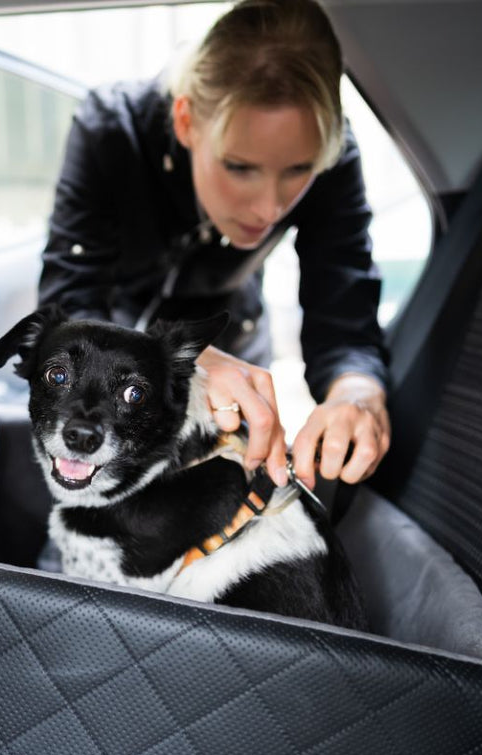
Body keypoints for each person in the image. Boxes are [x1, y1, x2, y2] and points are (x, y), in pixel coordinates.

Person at [38, 0, 390, 491]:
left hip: (233, 336)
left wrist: (358, 395)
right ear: (185, 122)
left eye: (298, 170)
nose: (270, 208)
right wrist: (171, 362)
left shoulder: (335, 157)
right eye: (240, 167)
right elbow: (69, 298)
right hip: (107, 344)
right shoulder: (111, 131)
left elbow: (344, 317)